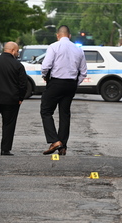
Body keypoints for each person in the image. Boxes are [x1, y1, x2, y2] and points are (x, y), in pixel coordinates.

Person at [41, 25, 87, 155]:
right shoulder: (79, 50)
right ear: (69, 36)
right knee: (64, 114)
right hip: (70, 84)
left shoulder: (54, 46)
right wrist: (74, 83)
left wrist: (45, 76)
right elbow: (83, 72)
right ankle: (63, 146)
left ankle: (55, 141)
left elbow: (46, 66)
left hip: (56, 82)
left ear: (58, 35)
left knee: (46, 110)